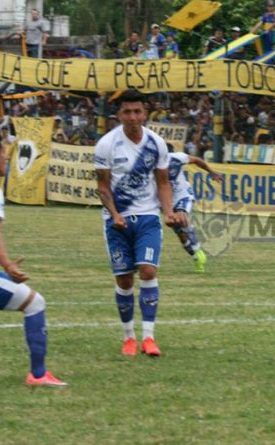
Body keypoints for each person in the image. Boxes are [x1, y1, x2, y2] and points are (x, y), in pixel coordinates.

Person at [0, 133, 66, 387]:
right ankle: (39, 375)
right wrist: (8, 265)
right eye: (5, 154)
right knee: (35, 303)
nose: (7, 159)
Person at [94, 90, 183, 357]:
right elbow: (102, 186)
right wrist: (114, 213)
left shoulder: (156, 144)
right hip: (116, 220)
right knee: (123, 279)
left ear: (145, 113)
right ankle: (128, 337)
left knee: (147, 271)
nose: (133, 117)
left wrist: (168, 211)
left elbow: (163, 182)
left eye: (137, 112)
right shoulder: (106, 144)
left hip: (147, 217)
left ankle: (149, 337)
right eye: (127, 112)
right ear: (119, 115)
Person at [165, 144, 219, 272]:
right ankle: (195, 256)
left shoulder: (177, 158)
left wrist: (212, 172)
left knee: (182, 217)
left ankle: (197, 247)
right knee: (180, 233)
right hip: (166, 201)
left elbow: (196, 160)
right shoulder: (150, 164)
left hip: (183, 195)